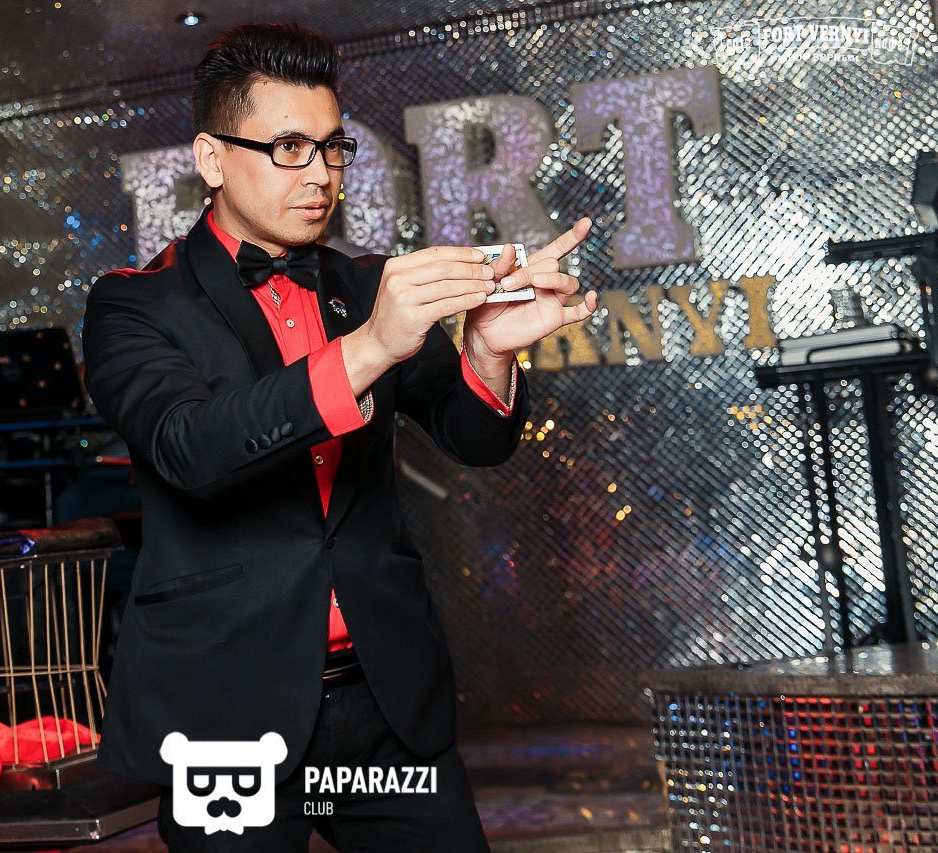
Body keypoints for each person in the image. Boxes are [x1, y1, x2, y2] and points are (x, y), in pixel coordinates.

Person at [80, 22, 598, 852]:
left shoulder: (366, 285)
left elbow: (475, 437)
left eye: (332, 147)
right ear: (212, 159)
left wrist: (489, 351)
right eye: (288, 148)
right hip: (226, 712)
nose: (320, 174)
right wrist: (368, 348)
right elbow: (188, 448)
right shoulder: (134, 303)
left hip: (385, 699)